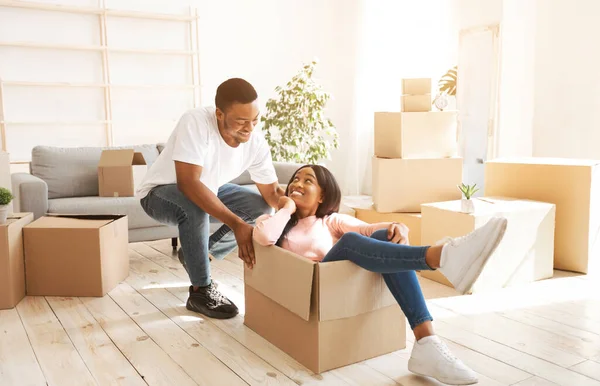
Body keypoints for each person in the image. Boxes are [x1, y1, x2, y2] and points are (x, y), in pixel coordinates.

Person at [252, 164, 508, 386]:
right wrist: (284, 207)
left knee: (383, 236)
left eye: (308, 181)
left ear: (322, 197)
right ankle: (441, 257)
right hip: (308, 291)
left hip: (336, 290)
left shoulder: (330, 221)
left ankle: (426, 341)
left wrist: (398, 227)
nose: (297, 183)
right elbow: (264, 237)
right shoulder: (273, 220)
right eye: (295, 179)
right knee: (351, 241)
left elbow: (372, 229)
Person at [137, 78, 285, 320]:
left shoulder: (255, 142)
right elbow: (189, 184)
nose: (249, 128)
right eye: (241, 121)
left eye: (255, 120)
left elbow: (272, 193)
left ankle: (200, 253)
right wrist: (237, 224)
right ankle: (200, 291)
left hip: (209, 189)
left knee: (260, 206)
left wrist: (294, 208)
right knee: (194, 205)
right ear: (219, 113)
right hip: (159, 192)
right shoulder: (195, 122)